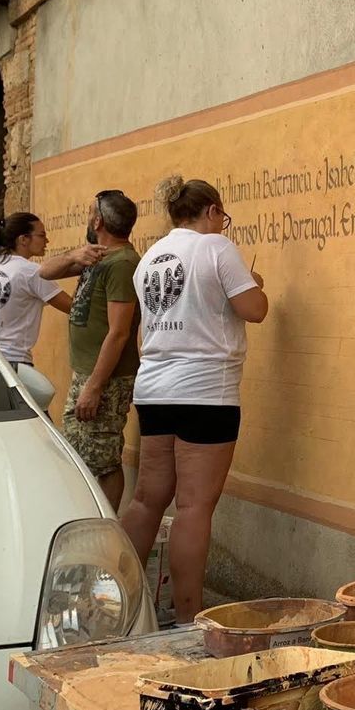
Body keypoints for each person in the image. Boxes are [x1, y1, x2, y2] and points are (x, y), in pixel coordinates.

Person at [120, 176, 268, 623]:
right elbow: (255, 310)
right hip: (206, 391)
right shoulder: (216, 248)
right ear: (211, 211)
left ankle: (115, 604)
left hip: (154, 389)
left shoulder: (149, 258)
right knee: (193, 506)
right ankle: (188, 618)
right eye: (222, 216)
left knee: (147, 499)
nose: (223, 224)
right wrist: (253, 282)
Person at [51, 190, 142, 511]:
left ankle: (103, 529)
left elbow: (119, 333)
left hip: (106, 379)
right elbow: (43, 272)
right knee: (81, 452)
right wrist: (75, 255)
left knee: (102, 458)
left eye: (90, 212)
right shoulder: (98, 255)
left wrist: (94, 387)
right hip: (87, 374)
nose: (87, 217)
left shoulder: (122, 263)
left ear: (98, 220)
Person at [0, 213, 72, 368]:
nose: (47, 241)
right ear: (23, 239)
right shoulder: (31, 271)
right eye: (41, 235)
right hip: (12, 363)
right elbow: (73, 308)